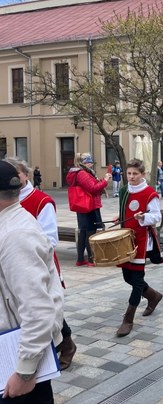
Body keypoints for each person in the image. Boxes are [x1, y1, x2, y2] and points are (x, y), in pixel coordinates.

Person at [0, 160, 64, 402]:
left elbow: (38, 309)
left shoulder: (16, 234)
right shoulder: (9, 222)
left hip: (17, 359)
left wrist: (25, 372)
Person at [9, 158, 77, 371]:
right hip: (14, 263)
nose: (12, 179)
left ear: (26, 175)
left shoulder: (41, 201)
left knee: (48, 307)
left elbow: (51, 238)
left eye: (16, 174)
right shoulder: (6, 199)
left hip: (38, 263)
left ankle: (65, 345)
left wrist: (24, 245)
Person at [115, 159, 163, 337]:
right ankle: (153, 296)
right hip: (125, 239)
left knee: (136, 281)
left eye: (135, 174)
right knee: (127, 277)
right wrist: (119, 217)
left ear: (142, 174)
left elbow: (156, 216)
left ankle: (128, 319)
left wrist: (144, 217)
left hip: (142, 240)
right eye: (129, 173)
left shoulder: (149, 193)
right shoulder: (123, 191)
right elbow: (125, 211)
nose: (131, 177)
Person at [66, 153, 111, 266]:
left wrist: (101, 182)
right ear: (84, 162)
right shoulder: (82, 173)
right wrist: (105, 180)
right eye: (90, 162)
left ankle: (81, 259)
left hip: (83, 205)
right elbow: (92, 188)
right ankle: (91, 259)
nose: (92, 164)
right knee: (90, 232)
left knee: (83, 231)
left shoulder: (80, 172)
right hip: (88, 205)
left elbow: (91, 185)